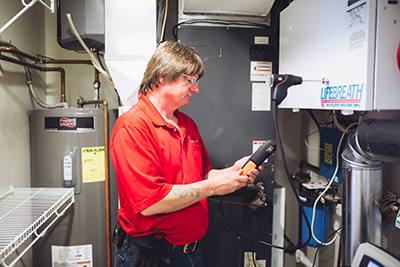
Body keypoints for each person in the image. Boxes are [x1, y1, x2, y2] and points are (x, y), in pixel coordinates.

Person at [109, 40, 263, 267]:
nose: (196, 89)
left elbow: (202, 175)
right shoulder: (132, 127)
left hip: (190, 252)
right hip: (151, 255)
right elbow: (151, 202)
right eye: (190, 80)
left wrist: (233, 173)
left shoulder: (186, 124)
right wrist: (213, 187)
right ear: (162, 77)